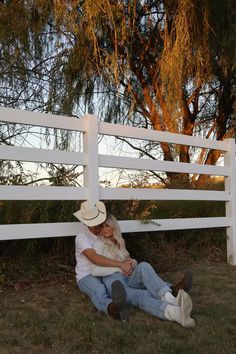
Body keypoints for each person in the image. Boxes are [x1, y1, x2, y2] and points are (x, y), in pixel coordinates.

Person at [74, 200, 194, 325]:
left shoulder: (109, 238)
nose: (100, 226)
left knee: (143, 267)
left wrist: (132, 263)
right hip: (90, 275)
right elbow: (95, 260)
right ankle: (114, 309)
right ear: (85, 223)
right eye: (95, 224)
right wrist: (120, 266)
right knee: (100, 291)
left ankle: (170, 295)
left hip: (118, 275)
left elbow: (123, 258)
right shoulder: (84, 238)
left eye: (103, 223)